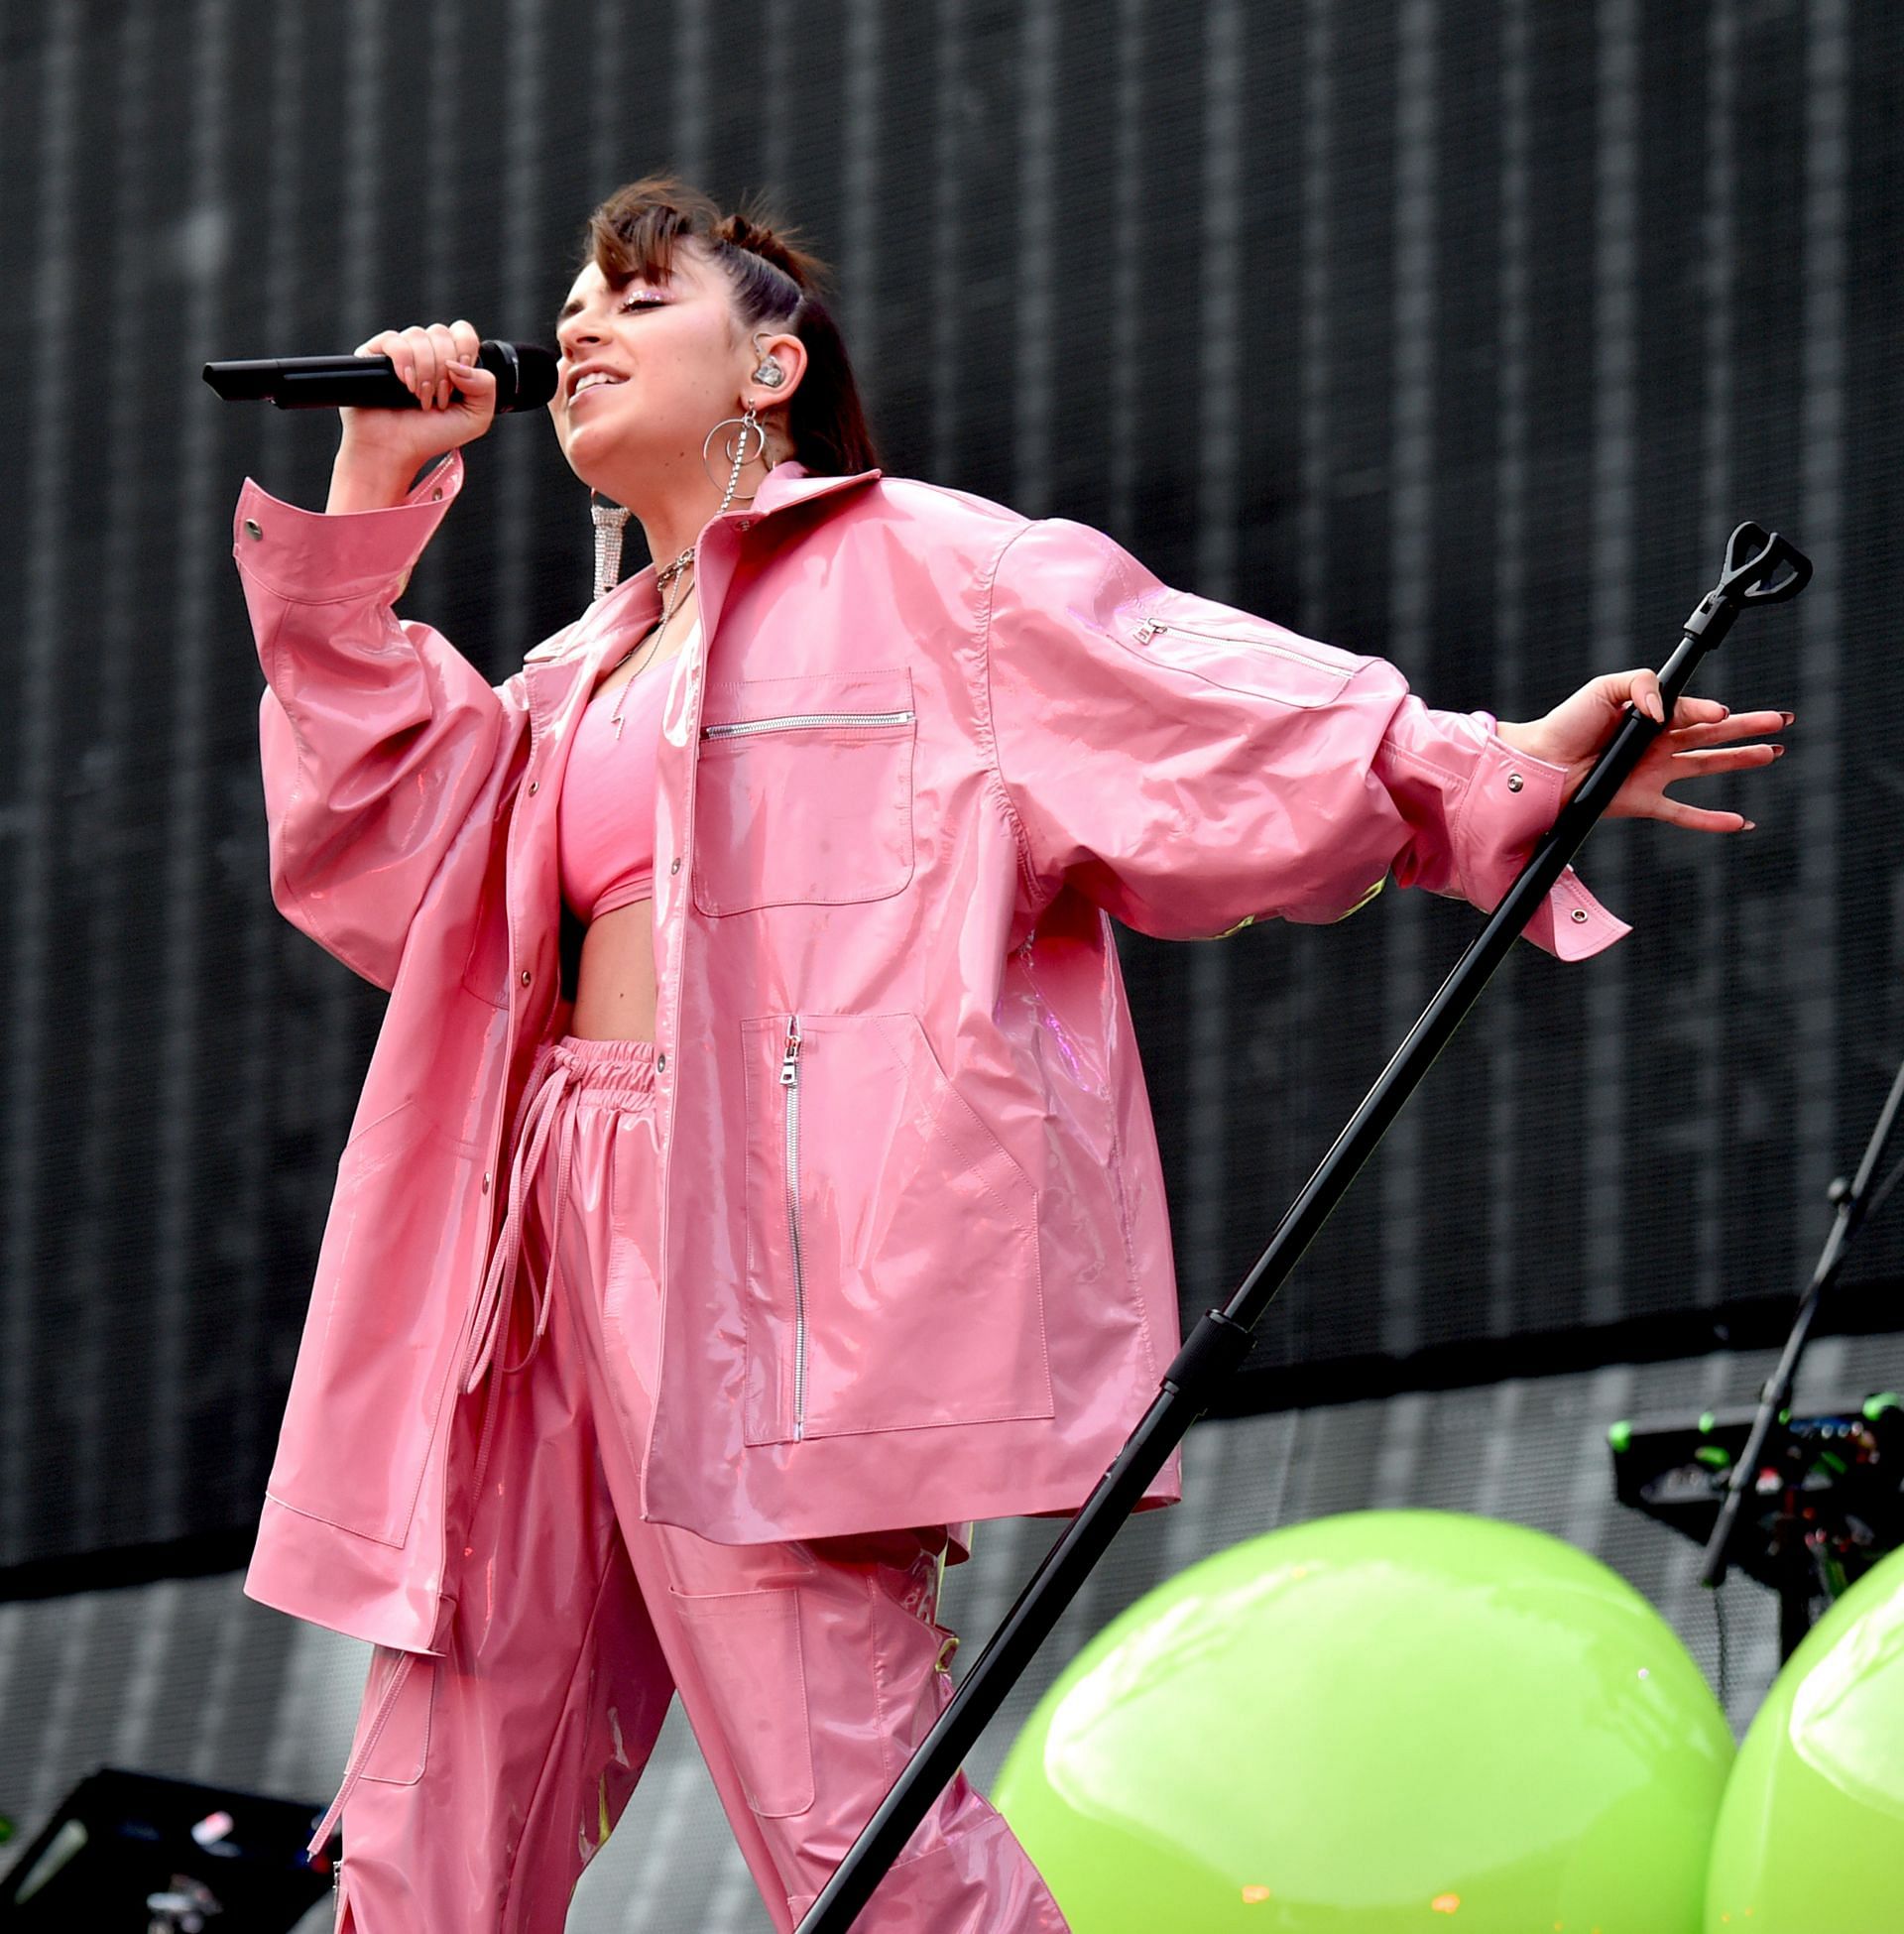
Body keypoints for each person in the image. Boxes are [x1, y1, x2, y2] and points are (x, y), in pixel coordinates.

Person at [228, 177, 1788, 1933]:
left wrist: (1489, 764)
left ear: (770, 365)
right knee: (431, 1789)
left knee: (845, 1803)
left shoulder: (932, 573)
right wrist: (372, 489)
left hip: (760, 1255)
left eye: (635, 297)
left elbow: (1201, 711)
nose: (575, 326)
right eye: (569, 302)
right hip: (527, 1244)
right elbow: (381, 853)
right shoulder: (567, 674)